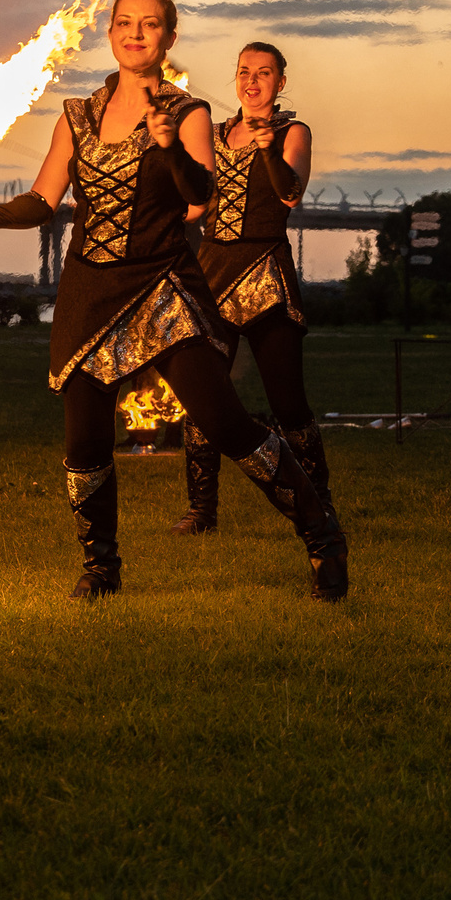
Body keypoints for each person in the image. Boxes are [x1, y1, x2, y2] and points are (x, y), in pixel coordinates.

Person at [0, 0, 348, 601]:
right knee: (84, 442)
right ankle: (100, 570)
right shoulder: (77, 115)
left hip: (161, 289)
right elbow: (44, 198)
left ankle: (323, 536)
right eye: (125, 23)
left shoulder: (189, 113)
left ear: (168, 37)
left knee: (225, 423)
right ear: (110, 33)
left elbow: (200, 196)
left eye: (150, 24)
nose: (136, 33)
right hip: (88, 292)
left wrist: (167, 147)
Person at [170, 40, 325, 534]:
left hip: (266, 274)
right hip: (211, 274)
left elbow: (290, 194)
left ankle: (318, 506)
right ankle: (201, 511)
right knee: (203, 398)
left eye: (263, 72)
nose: (251, 81)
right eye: (243, 71)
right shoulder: (212, 135)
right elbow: (195, 206)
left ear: (280, 82)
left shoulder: (293, 132)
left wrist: (266, 148)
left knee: (288, 403)